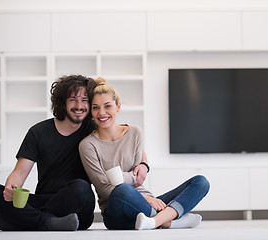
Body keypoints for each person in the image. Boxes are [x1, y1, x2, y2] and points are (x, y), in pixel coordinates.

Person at [79, 77, 210, 230]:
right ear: (91, 112)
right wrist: (143, 195)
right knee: (122, 189)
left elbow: (137, 179)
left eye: (107, 106)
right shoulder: (87, 145)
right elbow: (105, 189)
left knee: (201, 182)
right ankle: (168, 219)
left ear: (118, 107)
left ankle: (154, 221)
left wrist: (133, 180)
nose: (102, 113)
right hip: (117, 210)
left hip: (146, 202)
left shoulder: (134, 133)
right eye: (95, 108)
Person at [0, 75, 98, 231]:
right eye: (72, 99)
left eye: (84, 100)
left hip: (77, 205)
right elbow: (19, 173)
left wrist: (143, 163)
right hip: (43, 200)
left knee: (82, 188)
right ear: (62, 102)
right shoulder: (39, 132)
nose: (79, 105)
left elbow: (124, 135)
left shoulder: (94, 129)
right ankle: (47, 222)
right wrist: (11, 187)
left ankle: (22, 220)